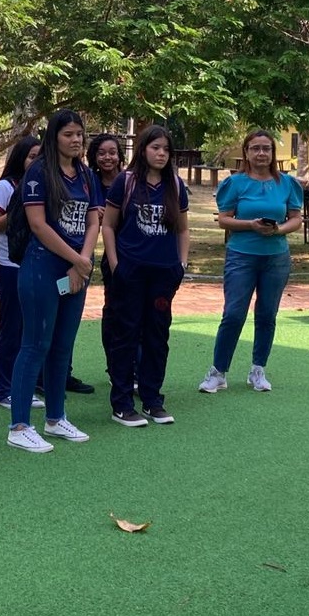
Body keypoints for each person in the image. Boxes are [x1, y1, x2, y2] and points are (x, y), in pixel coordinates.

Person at [7, 109, 102, 453]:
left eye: (79, 134)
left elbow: (93, 221)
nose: (75, 140)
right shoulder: (38, 173)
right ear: (54, 137)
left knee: (62, 346)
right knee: (35, 344)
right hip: (43, 267)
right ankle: (18, 426)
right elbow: (38, 225)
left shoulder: (86, 176)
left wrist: (84, 260)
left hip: (76, 270)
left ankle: (55, 417)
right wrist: (76, 259)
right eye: (68, 134)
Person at [199, 130, 302, 395]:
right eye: (255, 148)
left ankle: (258, 370)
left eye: (266, 148)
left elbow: (295, 218)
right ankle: (218, 372)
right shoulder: (235, 183)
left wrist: (278, 230)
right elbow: (224, 219)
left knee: (267, 314)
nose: (261, 154)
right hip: (241, 256)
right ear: (246, 152)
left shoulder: (287, 183)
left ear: (272, 153)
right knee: (233, 314)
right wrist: (250, 225)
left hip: (276, 258)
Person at [101, 125, 189, 426]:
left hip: (163, 274)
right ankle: (122, 403)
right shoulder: (125, 182)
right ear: (143, 150)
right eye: (155, 148)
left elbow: (183, 229)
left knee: (157, 336)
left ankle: (152, 399)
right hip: (130, 271)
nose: (161, 153)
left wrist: (181, 264)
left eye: (166, 149)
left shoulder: (175, 186)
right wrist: (116, 265)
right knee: (124, 334)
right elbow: (108, 225)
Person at [0, 135, 44, 409]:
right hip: (9, 265)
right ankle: (4, 389)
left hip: (33, 265)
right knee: (11, 328)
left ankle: (22, 385)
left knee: (29, 329)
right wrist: (23, 213)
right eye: (31, 156)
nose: (35, 161)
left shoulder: (38, 185)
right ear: (19, 158)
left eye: (39, 156)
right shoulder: (4, 187)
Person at [88, 133, 125, 378]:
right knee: (113, 312)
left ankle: (132, 369)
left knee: (136, 315)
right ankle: (115, 367)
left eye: (112, 152)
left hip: (134, 252)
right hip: (106, 255)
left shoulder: (129, 181)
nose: (107, 157)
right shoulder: (89, 182)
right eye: (101, 153)